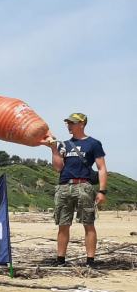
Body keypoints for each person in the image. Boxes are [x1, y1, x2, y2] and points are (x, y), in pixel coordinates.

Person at [48, 113, 108, 268]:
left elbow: (101, 168)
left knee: (88, 223)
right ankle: (60, 260)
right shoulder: (64, 144)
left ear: (82, 124)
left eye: (72, 123)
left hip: (84, 186)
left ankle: (90, 261)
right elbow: (58, 167)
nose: (69, 125)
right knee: (63, 224)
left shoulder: (94, 143)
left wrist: (102, 191)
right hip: (64, 186)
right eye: (68, 123)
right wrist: (54, 149)